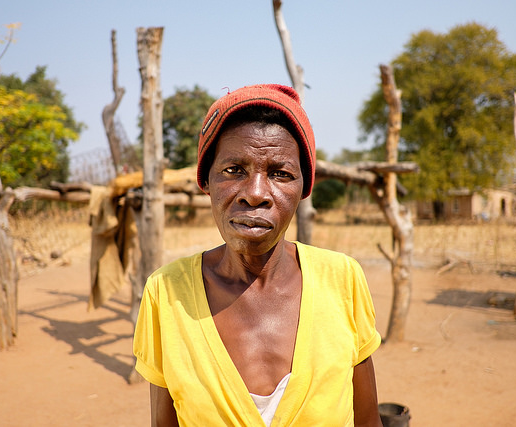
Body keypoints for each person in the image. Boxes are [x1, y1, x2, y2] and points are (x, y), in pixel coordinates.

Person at [133, 84, 383, 426]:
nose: (255, 194)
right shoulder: (166, 293)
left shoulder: (341, 279)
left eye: (281, 174)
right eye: (234, 170)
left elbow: (368, 422)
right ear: (205, 180)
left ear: (303, 189)